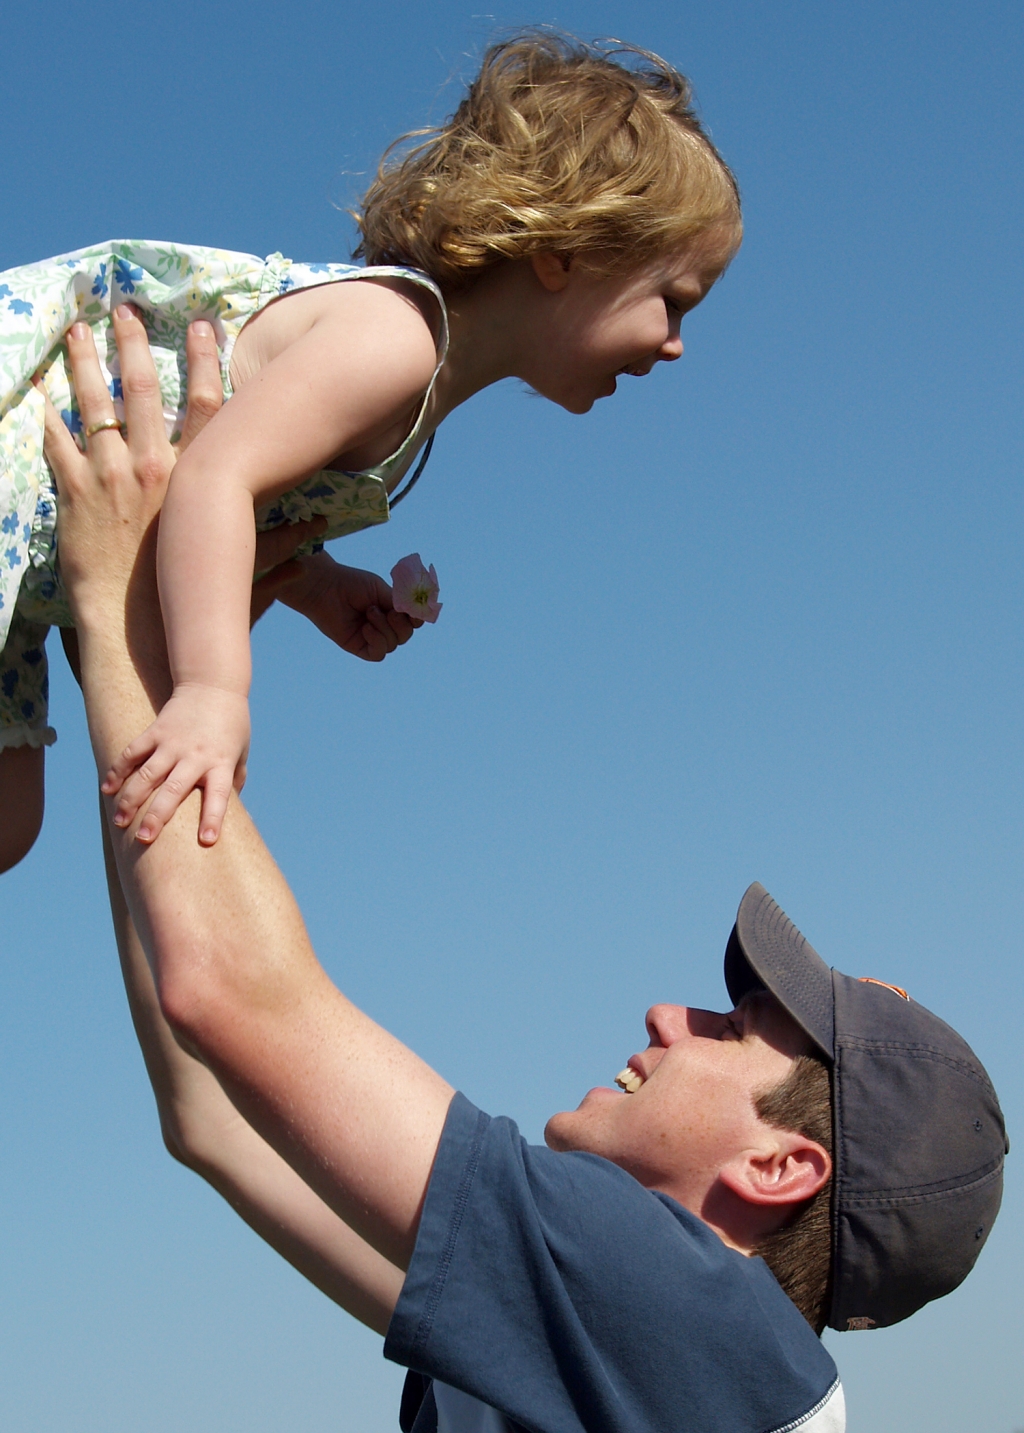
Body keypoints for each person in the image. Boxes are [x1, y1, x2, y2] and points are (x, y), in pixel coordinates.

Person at [42, 300, 1008, 1433]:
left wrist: (118, 607)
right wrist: (115, 647)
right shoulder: (639, 1359)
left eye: (734, 1026)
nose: (666, 1013)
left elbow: (232, 996)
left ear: (782, 1167)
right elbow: (207, 1113)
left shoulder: (680, 1312)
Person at [0, 33, 742, 870]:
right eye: (671, 300)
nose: (676, 344)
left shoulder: (416, 390)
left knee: (11, 823)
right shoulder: (395, 340)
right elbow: (214, 475)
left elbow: (246, 480)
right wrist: (212, 691)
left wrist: (314, 584)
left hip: (54, 552)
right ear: (563, 251)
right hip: (22, 472)